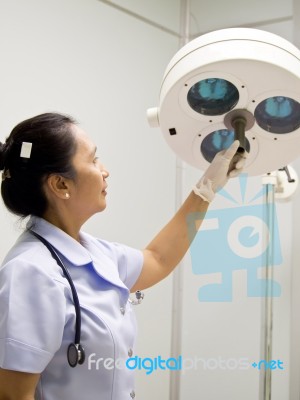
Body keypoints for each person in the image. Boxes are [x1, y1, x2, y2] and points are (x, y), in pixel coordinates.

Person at [0, 112, 246, 400]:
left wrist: (206, 188)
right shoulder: (30, 272)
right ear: (61, 185)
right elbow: (14, 395)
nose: (104, 170)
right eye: (93, 160)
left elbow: (158, 259)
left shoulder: (96, 253)